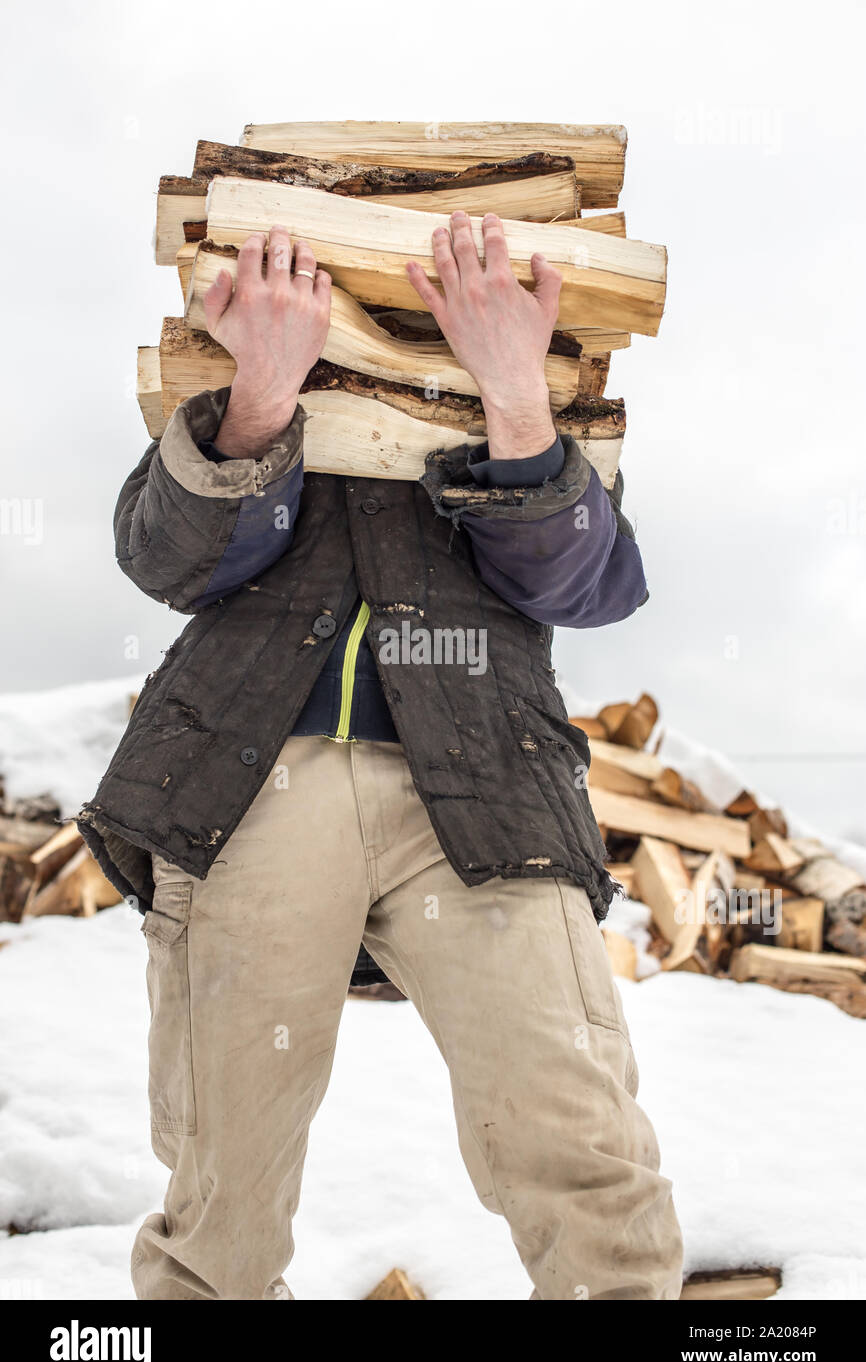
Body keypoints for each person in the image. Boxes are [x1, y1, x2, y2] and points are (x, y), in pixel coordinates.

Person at [78, 210, 683, 1300]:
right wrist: (265, 391)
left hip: (485, 794)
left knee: (584, 1150)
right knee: (223, 1194)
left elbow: (585, 583)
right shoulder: (228, 388)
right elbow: (165, 557)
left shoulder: (541, 400)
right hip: (243, 783)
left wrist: (510, 390)